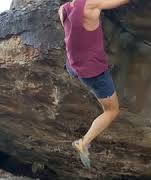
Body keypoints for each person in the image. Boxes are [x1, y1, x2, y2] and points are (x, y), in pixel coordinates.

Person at [58, 0, 130, 168]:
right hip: (94, 72)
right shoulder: (91, 5)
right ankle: (83, 142)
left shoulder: (62, 9)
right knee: (112, 111)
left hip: (74, 66)